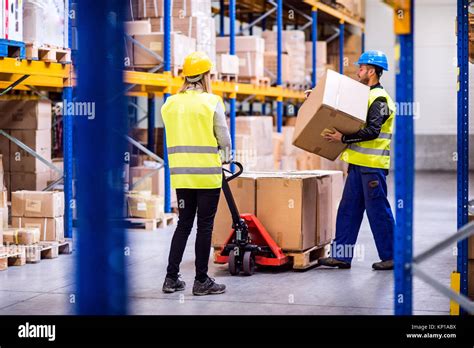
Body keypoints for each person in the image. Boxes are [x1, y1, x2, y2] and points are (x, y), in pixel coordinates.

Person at [161, 52, 232, 295]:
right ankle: (201, 280)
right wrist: (227, 156)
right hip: (207, 175)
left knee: (183, 224)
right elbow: (223, 137)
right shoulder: (211, 102)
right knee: (205, 226)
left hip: (182, 176)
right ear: (205, 76)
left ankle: (171, 278)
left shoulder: (170, 104)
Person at [318, 50, 396, 271]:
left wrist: (343, 138)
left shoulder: (380, 99)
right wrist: (314, 97)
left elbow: (372, 131)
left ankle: (392, 257)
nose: (358, 71)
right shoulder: (364, 95)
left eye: (361, 68)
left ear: (371, 71)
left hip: (372, 168)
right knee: (348, 210)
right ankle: (342, 256)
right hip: (357, 166)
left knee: (378, 211)